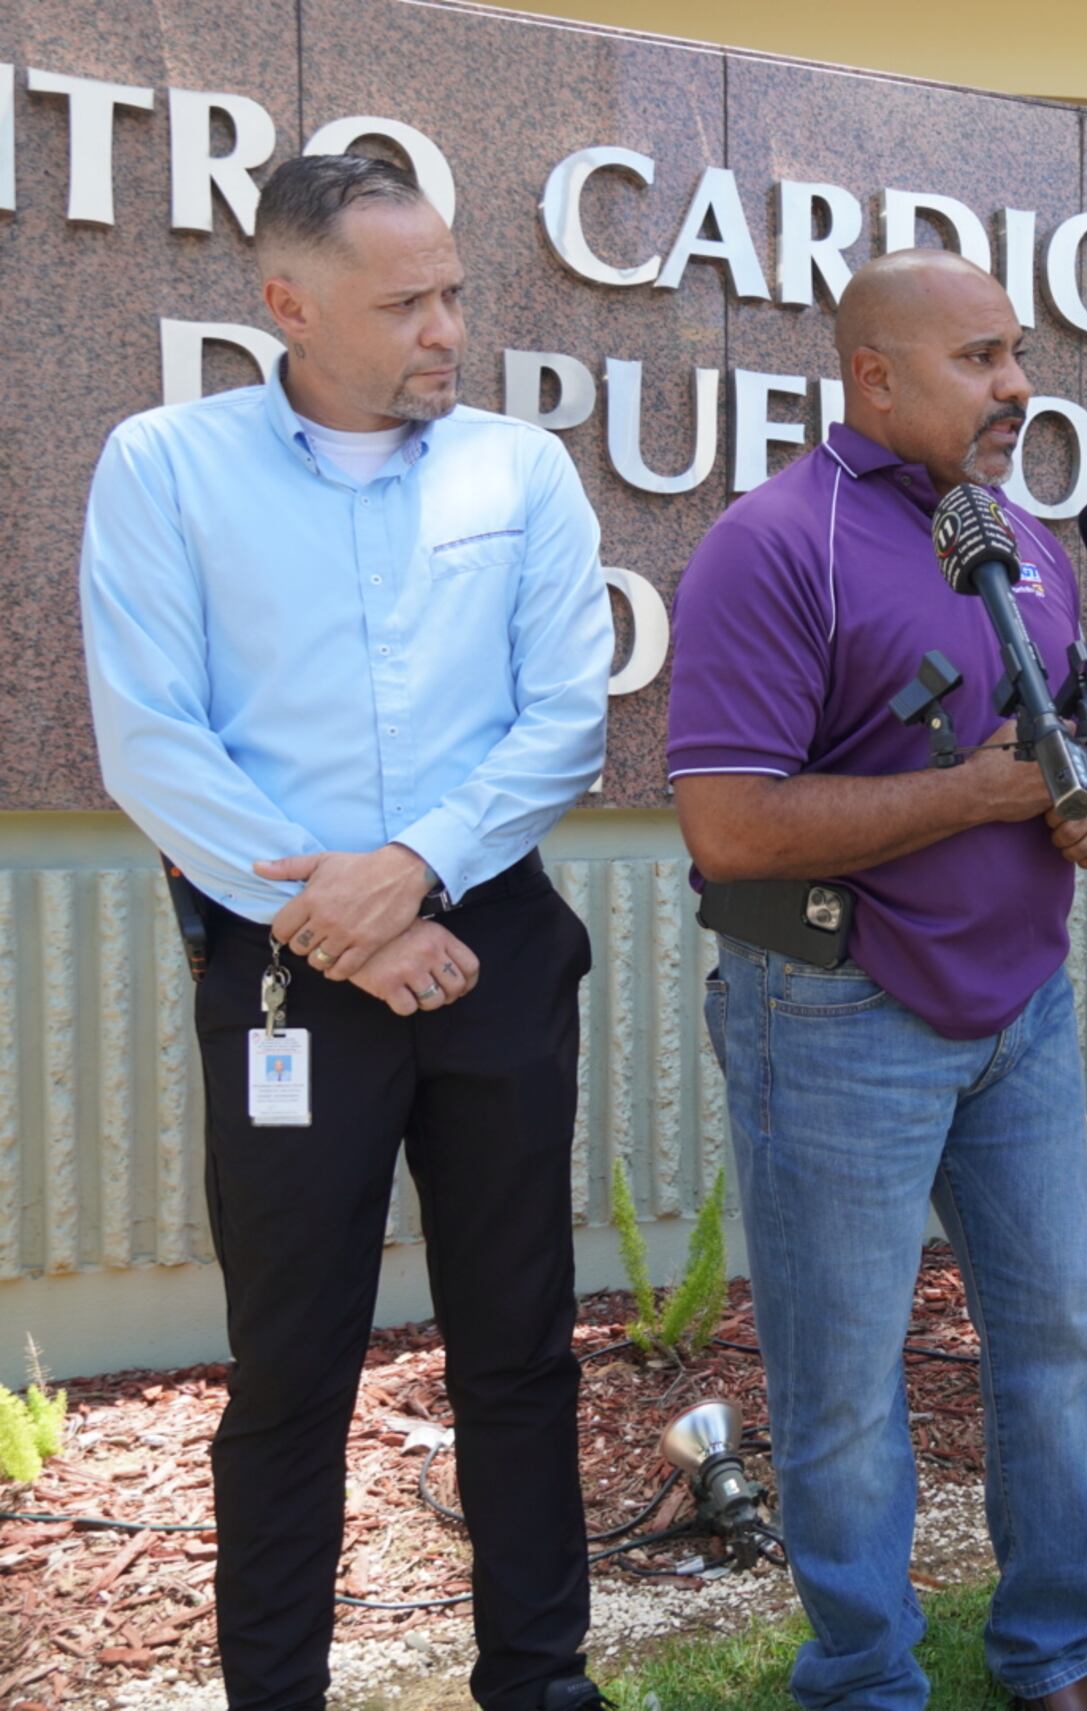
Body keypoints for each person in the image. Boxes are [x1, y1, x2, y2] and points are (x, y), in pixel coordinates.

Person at [78, 154, 612, 1711]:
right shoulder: (166, 466)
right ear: (287, 305)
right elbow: (152, 740)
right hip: (280, 964)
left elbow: (564, 720)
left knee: (519, 1341)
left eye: (453, 288)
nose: (450, 325)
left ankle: (541, 1677)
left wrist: (416, 867)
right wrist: (343, 922)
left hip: (492, 942)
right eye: (407, 301)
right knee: (292, 1366)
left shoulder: (520, 472)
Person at [666, 249, 1087, 1710]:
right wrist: (980, 798)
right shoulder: (773, 542)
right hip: (836, 1009)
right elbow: (730, 822)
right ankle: (865, 1675)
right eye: (981, 358)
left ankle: (1049, 1647)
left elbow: (1057, 749)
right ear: (874, 374)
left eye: (1019, 353)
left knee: (1054, 1338)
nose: (1017, 386)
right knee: (844, 1384)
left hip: (1024, 1011)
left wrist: (1083, 800)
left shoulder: (1026, 541)